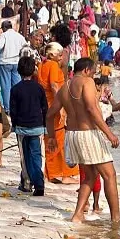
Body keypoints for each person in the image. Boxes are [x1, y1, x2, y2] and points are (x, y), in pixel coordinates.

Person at [46, 57, 120, 223]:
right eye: (93, 72)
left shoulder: (64, 87)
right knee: (110, 175)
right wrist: (109, 134)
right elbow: (91, 108)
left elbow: (50, 114)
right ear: (87, 70)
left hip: (72, 135)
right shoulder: (86, 82)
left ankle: (78, 214)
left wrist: (51, 136)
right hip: (87, 134)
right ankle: (116, 219)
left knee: (90, 175)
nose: (93, 76)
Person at [37, 42, 80, 184]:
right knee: (58, 139)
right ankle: (62, 174)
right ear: (53, 55)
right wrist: (61, 107)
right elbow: (55, 85)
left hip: (45, 108)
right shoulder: (53, 66)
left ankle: (51, 172)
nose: (61, 58)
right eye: (60, 55)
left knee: (49, 138)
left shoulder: (42, 65)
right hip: (54, 107)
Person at [10, 56, 48, 195]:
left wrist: (14, 125)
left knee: (25, 157)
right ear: (33, 71)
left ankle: (27, 183)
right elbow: (45, 108)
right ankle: (39, 184)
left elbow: (13, 110)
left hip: (21, 128)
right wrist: (45, 126)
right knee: (37, 156)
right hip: (37, 127)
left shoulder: (15, 89)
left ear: (19, 71)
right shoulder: (39, 88)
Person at [0, 19, 25, 109]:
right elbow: (25, 47)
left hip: (5, 63)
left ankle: (8, 108)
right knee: (17, 84)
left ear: (5, 28)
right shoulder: (19, 36)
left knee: (6, 86)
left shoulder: (4, 35)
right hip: (16, 62)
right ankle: (19, 105)